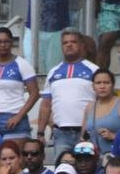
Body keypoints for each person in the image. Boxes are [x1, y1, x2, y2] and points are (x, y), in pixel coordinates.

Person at [38, 28, 98, 157]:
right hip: (61, 134)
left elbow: (103, 100)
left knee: (87, 172)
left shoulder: (94, 70)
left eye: (73, 42)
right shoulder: (53, 72)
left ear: (81, 45)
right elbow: (46, 104)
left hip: (87, 133)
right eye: (65, 43)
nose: (69, 45)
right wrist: (40, 133)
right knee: (62, 171)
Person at [0, 28, 38, 141]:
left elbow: (35, 93)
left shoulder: (22, 64)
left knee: (13, 157)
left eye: (6, 41)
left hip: (14, 118)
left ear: (11, 42)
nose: (3, 45)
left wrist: (19, 116)